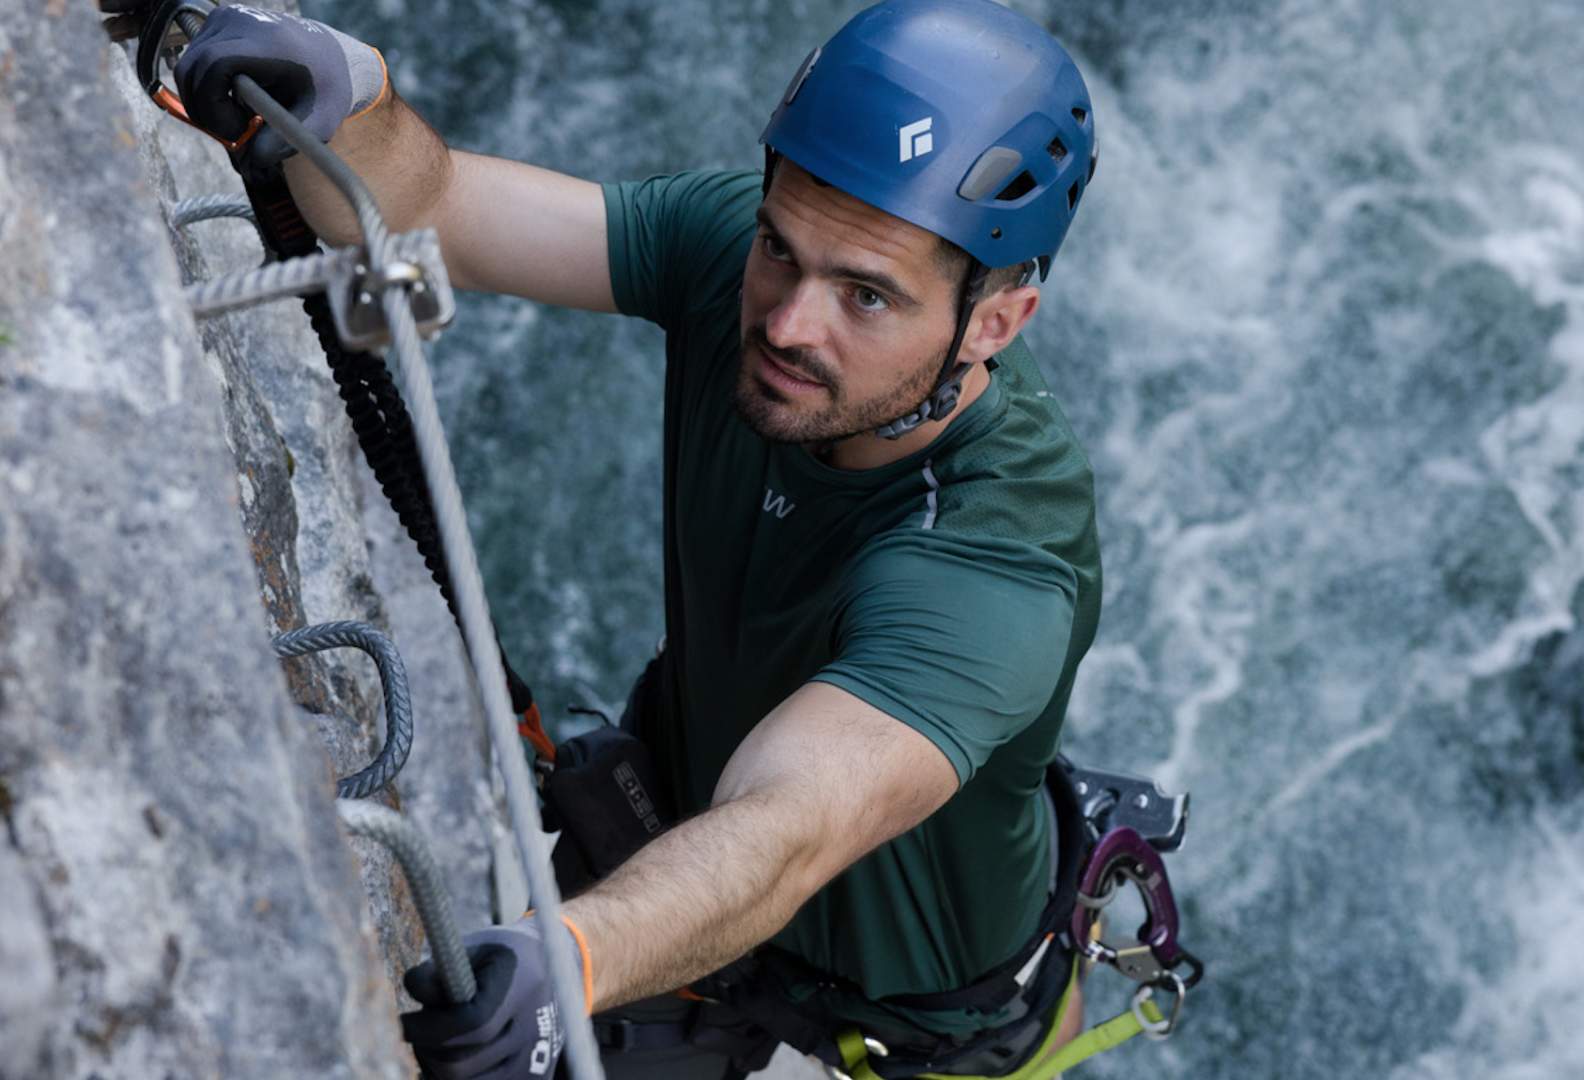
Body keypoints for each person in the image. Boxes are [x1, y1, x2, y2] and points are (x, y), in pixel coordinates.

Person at [172, 1, 1103, 1076]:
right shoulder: (750, 268)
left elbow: (790, 822)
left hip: (912, 1021)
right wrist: (348, 94)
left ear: (996, 323)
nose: (792, 323)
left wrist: (565, 960)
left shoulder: (996, 559)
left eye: (866, 296)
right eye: (781, 249)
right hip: (682, 838)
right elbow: (435, 205)